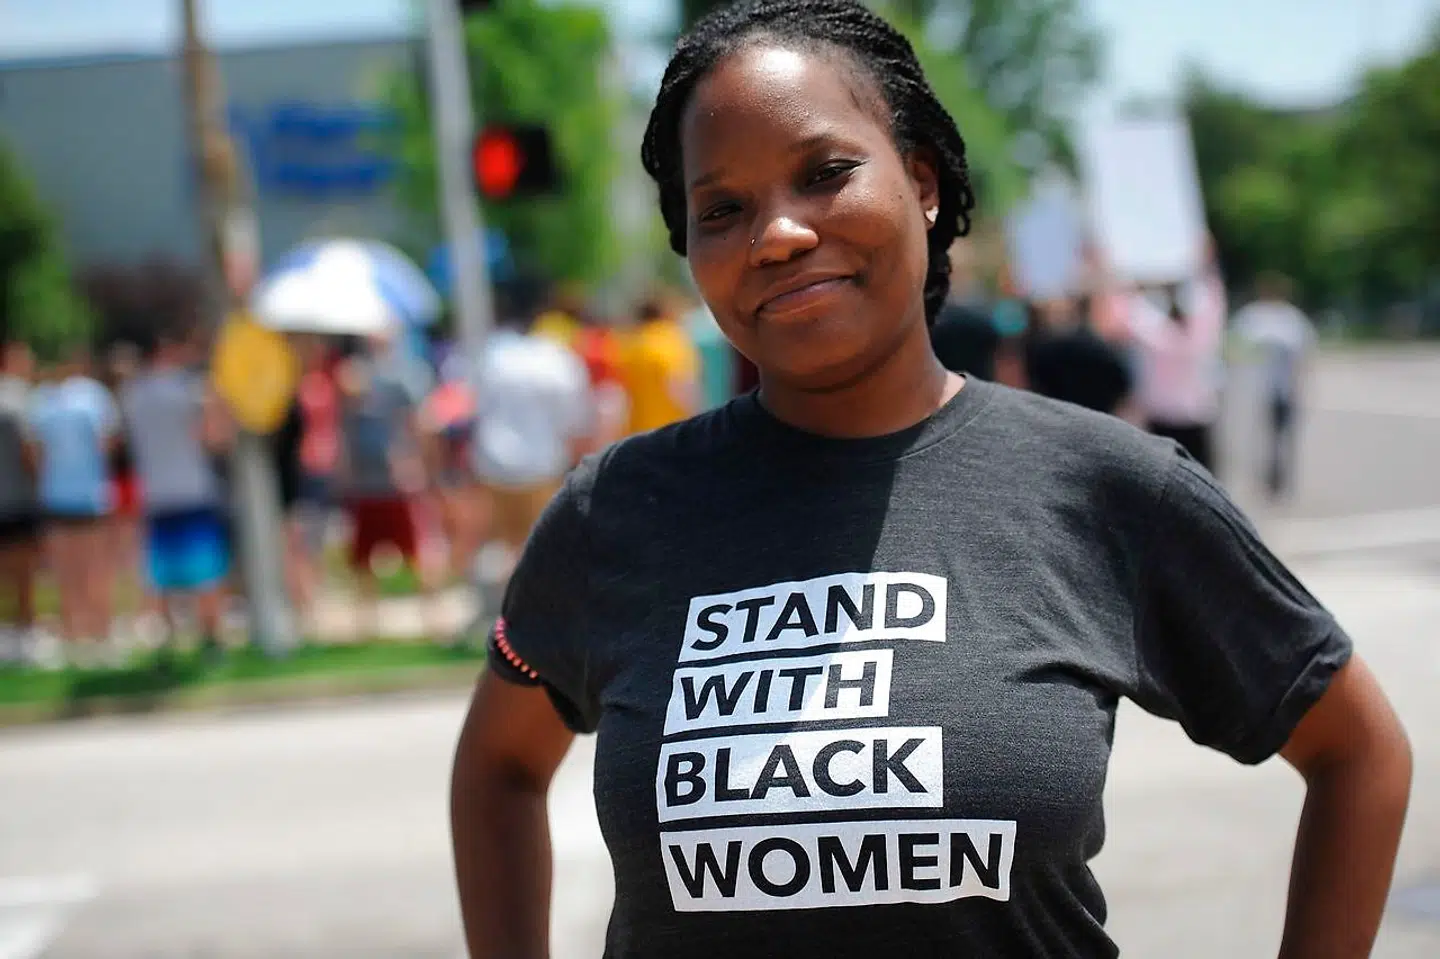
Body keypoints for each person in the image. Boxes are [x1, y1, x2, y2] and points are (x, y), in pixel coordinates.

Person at [449, 3, 1412, 957]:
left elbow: (1358, 752)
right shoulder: (615, 507)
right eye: (723, 210)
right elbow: (498, 765)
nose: (776, 233)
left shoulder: (1109, 486)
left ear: (922, 183)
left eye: (825, 174)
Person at [121, 330, 233, 659]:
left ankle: (166, 646)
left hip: (156, 495)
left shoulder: (133, 395)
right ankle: (211, 644)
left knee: (162, 576)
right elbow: (215, 438)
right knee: (206, 573)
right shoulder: (189, 391)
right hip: (193, 491)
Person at [467, 306, 592, 593]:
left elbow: (476, 406)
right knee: (540, 545)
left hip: (493, 463)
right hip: (542, 464)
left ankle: (505, 609)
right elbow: (576, 419)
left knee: (506, 545)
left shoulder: (495, 356)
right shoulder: (558, 359)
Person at [335, 330, 434, 635]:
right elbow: (344, 428)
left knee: (418, 551)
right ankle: (366, 625)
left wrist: (416, 463)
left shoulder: (405, 375)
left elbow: (417, 423)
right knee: (363, 558)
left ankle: (432, 619)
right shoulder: (353, 375)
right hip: (365, 482)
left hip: (397, 480)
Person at [27, 349, 122, 662]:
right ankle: (92, 631)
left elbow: (35, 452)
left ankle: (85, 631)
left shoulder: (46, 401)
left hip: (66, 494)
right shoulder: (89, 397)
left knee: (75, 569)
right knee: (87, 568)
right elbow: (108, 443)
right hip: (81, 494)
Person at [1126, 249, 1228, 472]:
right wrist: (1209, 264)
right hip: (1197, 415)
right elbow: (1215, 301)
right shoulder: (1203, 334)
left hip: (1161, 416)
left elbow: (1132, 312)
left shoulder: (1154, 335)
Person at [1233, 272, 1317, 500]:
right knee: (1256, 436)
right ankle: (1259, 479)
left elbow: (1304, 355)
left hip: (1284, 389)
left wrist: (1300, 384)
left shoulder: (1292, 319)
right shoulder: (1252, 318)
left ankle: (1279, 481)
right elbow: (1236, 350)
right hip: (1255, 388)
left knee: (1281, 437)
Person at [1022, 296, 1136, 418]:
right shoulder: (1099, 346)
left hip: (1057, 413)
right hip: (1098, 414)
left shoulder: (1042, 345)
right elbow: (1122, 381)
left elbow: (1036, 379)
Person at [0, 339, 41, 662]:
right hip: (18, 497)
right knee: (24, 570)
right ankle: (26, 630)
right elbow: (30, 451)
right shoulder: (19, 398)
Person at [619, 294, 703, 434]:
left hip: (637, 433)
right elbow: (681, 386)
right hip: (671, 432)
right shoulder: (670, 340)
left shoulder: (630, 345)